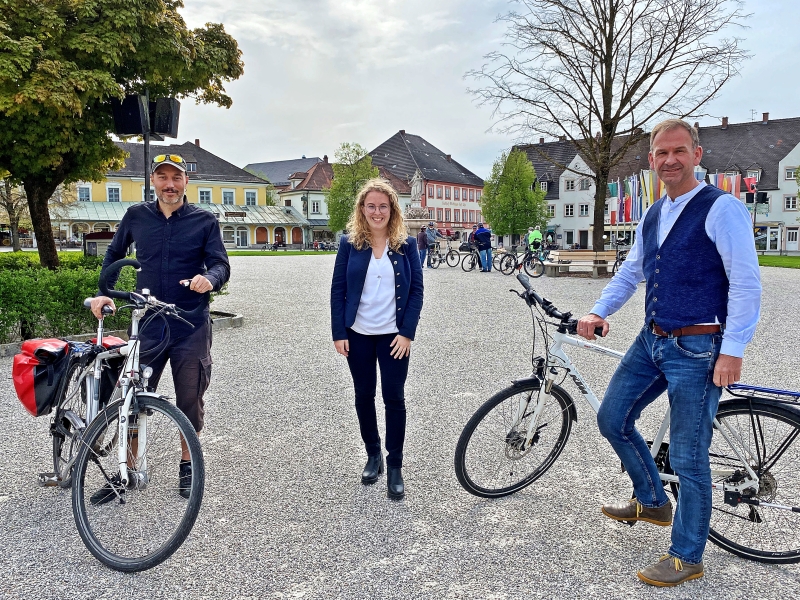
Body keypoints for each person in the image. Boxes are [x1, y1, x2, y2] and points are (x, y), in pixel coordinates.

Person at [576, 119, 761, 587]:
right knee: (611, 418)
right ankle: (654, 501)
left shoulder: (723, 209)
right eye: (661, 153)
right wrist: (597, 312)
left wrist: (733, 350)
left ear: (697, 155)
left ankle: (687, 556)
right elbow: (630, 272)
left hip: (699, 346)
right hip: (652, 337)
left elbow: (745, 284)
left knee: (688, 455)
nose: (670, 160)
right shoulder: (654, 213)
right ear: (652, 160)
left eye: (679, 151)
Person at [90, 153, 230, 503]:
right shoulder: (136, 216)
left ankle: (188, 464)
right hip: (148, 323)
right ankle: (130, 470)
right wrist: (102, 293)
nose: (170, 184)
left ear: (186, 182)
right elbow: (113, 256)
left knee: (189, 396)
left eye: (176, 178)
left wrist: (209, 279)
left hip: (189, 323)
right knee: (133, 396)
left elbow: (220, 264)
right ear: (152, 180)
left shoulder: (204, 220)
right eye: (163, 177)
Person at [330, 178, 424, 500]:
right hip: (358, 335)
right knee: (363, 395)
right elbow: (338, 290)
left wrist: (407, 333)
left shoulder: (406, 245)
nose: (377, 211)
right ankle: (373, 455)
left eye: (383, 206)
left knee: (394, 398)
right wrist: (339, 332)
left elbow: (416, 292)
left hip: (394, 337)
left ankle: (395, 464)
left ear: (392, 209)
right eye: (371, 206)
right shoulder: (349, 243)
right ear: (362, 209)